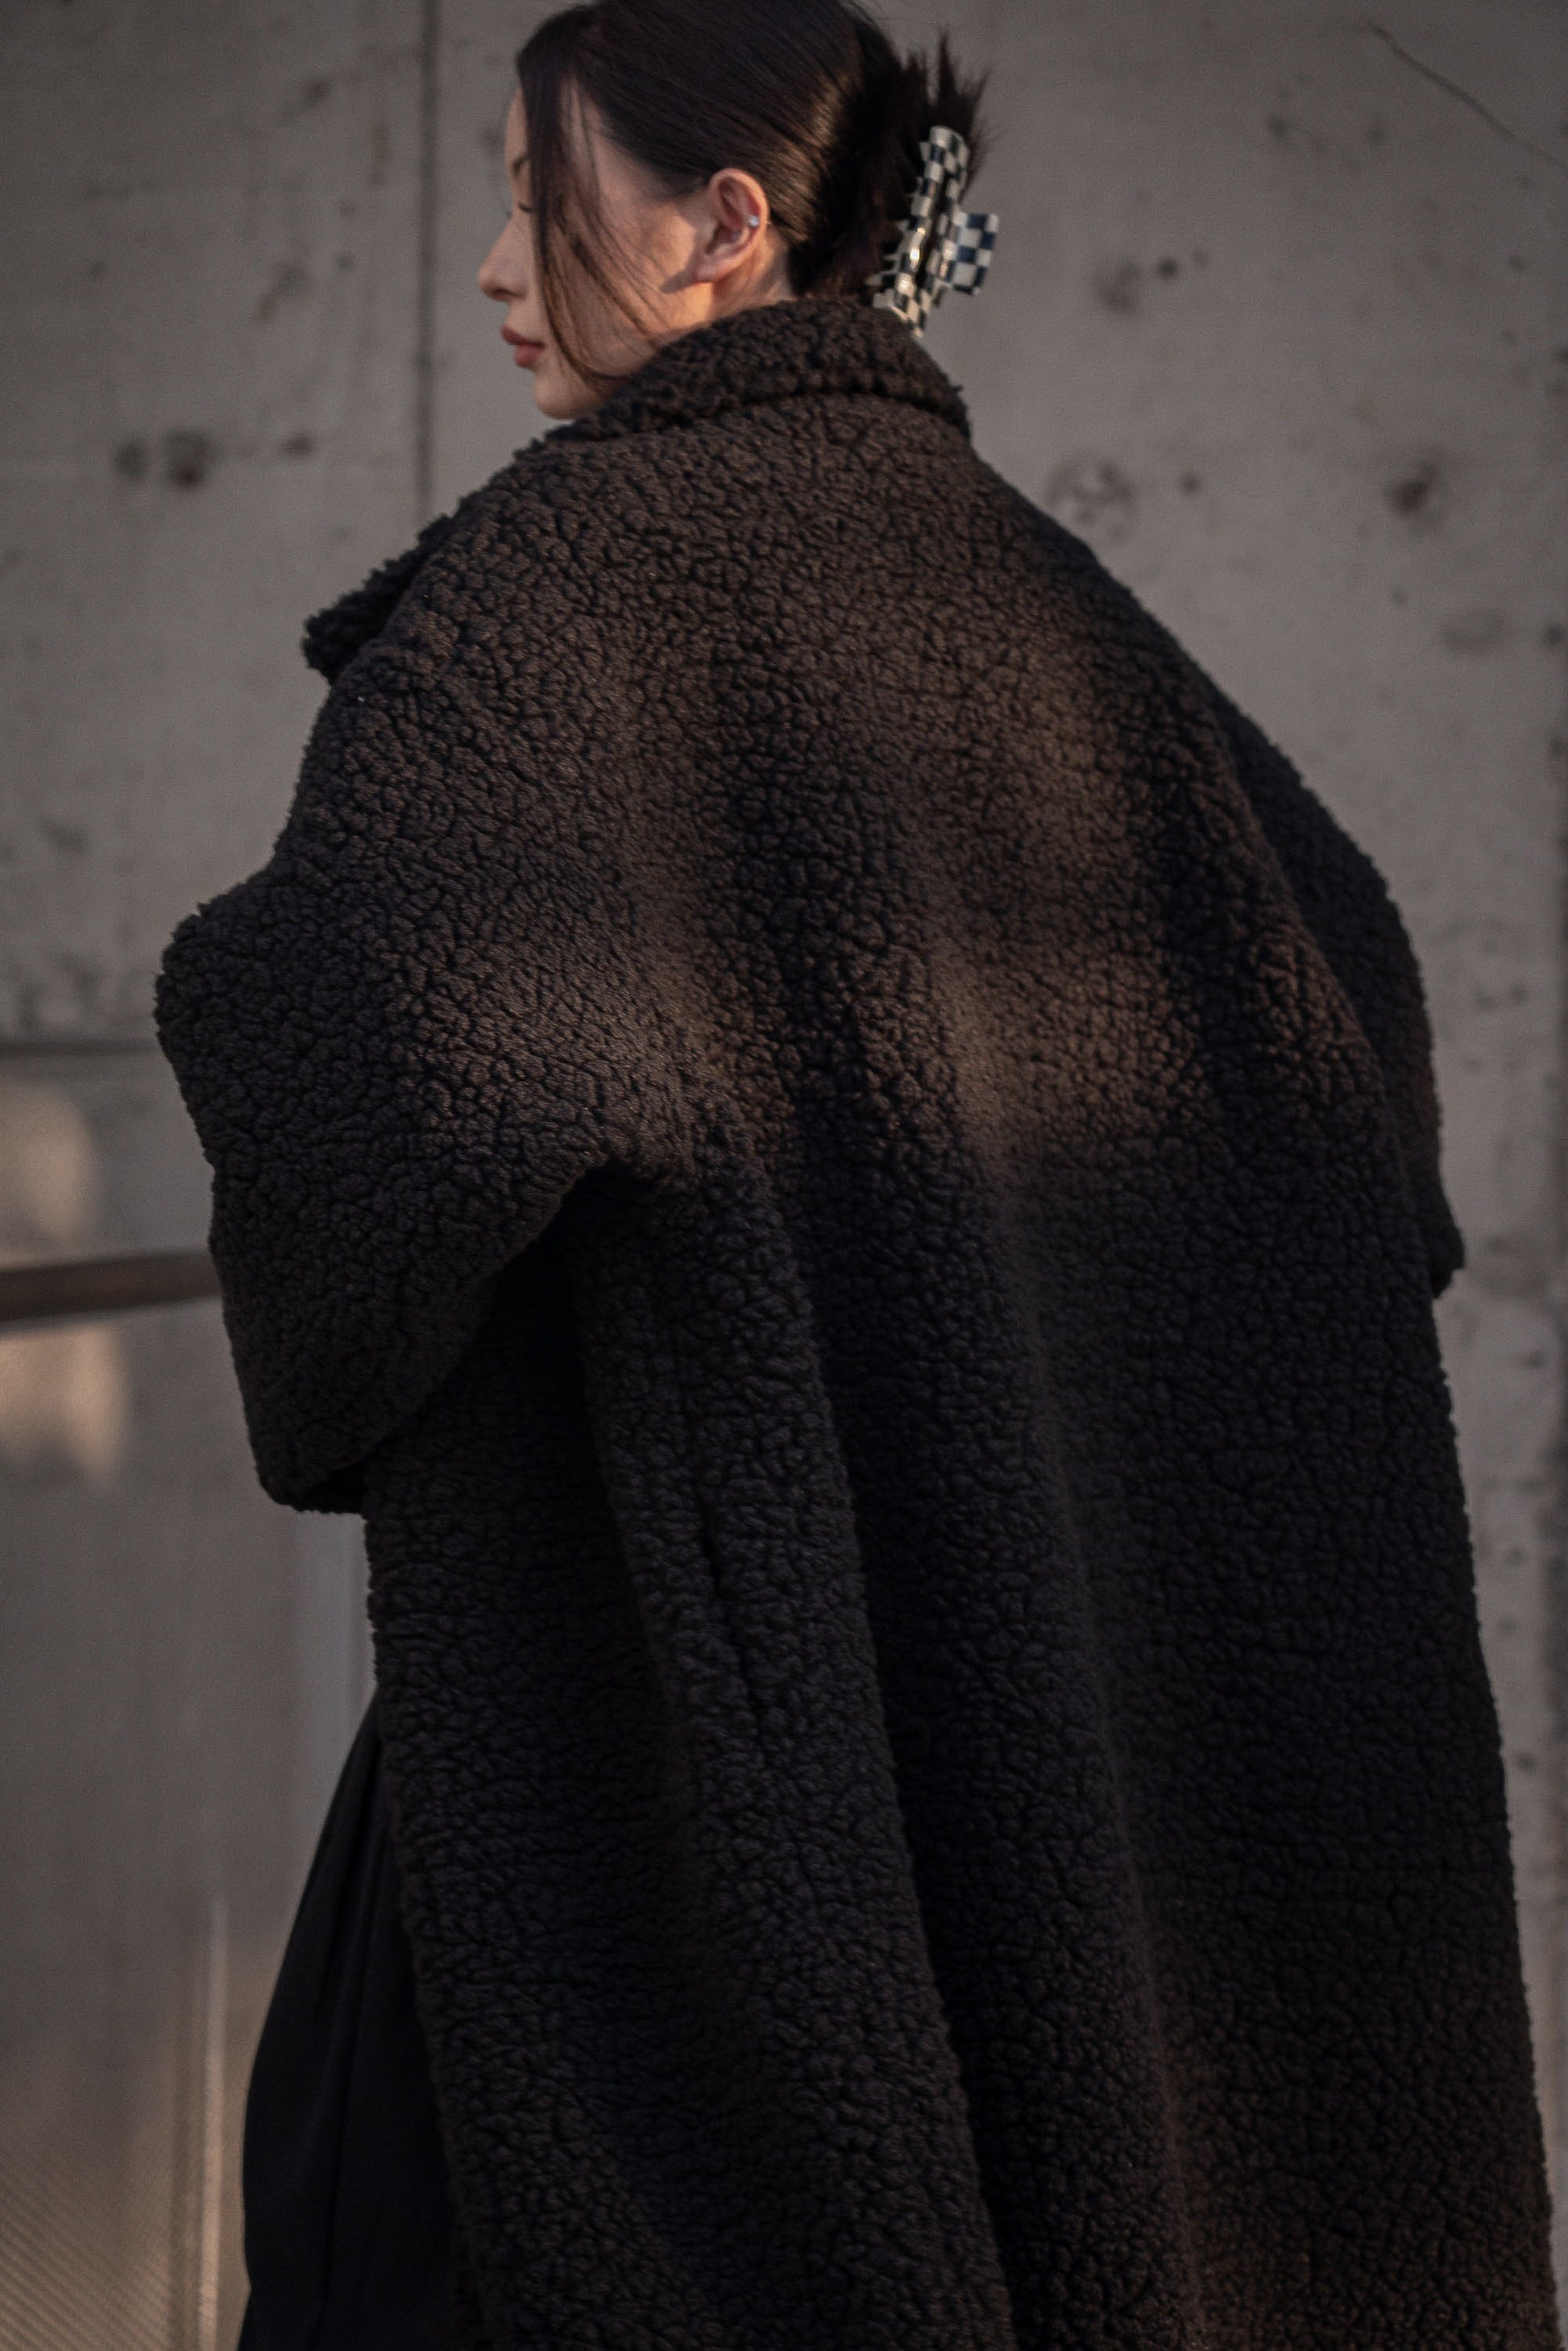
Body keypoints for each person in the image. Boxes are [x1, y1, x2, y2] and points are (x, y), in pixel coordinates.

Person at [155, 2, 1562, 2345]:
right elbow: (1356, 1071)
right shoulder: (1079, 628)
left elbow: (364, 1102)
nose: (495, 266)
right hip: (1074, 1747)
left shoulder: (558, 594)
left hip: (675, 1737)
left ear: (724, 226)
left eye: (533, 196)